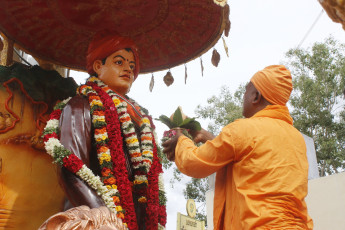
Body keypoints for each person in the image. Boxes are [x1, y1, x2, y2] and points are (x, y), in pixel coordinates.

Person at [163, 65, 313, 230]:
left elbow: (194, 163)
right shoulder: (296, 138)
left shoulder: (242, 130)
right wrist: (210, 138)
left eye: (246, 91)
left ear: (256, 96)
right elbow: (249, 159)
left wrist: (180, 140)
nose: (243, 97)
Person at [44, 31, 166, 230]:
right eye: (119, 62)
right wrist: (105, 217)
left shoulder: (141, 119)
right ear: (98, 67)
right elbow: (71, 168)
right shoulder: (79, 106)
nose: (128, 69)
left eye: (132, 65)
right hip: (92, 217)